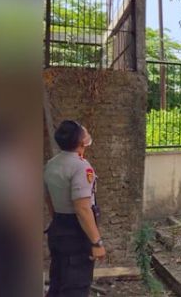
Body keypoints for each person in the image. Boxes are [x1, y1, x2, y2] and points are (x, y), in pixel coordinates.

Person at [44, 121, 105, 296]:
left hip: (58, 228)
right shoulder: (81, 167)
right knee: (76, 286)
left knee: (58, 282)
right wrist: (96, 242)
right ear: (81, 142)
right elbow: (82, 208)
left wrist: (59, 220)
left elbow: (49, 200)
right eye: (84, 133)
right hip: (76, 234)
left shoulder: (51, 164)